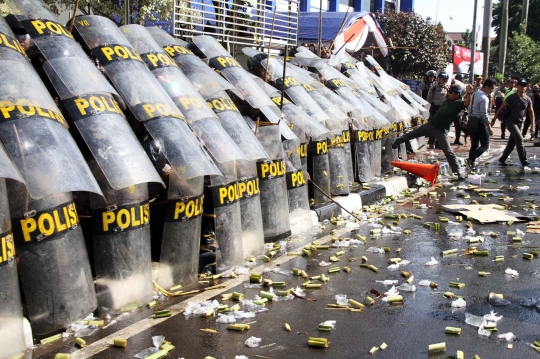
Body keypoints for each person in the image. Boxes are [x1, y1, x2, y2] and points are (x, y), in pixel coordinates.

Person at [392, 84, 473, 180]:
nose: (449, 94)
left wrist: (469, 93)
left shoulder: (458, 103)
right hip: (431, 125)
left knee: (448, 151)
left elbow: (467, 103)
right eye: (449, 92)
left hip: (441, 130)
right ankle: (397, 142)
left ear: (457, 94)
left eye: (451, 93)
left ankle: (458, 171)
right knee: (412, 134)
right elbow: (448, 89)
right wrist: (446, 87)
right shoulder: (448, 99)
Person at [492, 78, 535, 166]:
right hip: (510, 122)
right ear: (517, 86)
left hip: (519, 123)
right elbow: (501, 108)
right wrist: (494, 119)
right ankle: (524, 160)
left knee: (512, 143)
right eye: (521, 85)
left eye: (524, 85)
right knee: (519, 139)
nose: (523, 87)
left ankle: (502, 159)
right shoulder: (511, 97)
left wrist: (533, 126)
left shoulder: (527, 99)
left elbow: (531, 112)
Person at [466, 78, 496, 170]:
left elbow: (470, 109)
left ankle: (470, 163)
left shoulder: (475, 94)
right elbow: (484, 115)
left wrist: (471, 119)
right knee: (485, 145)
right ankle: (470, 159)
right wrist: (489, 127)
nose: (491, 91)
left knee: (474, 145)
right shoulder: (484, 98)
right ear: (486, 87)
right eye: (491, 89)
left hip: (472, 121)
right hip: (480, 123)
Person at [426, 71, 450, 148]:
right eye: (442, 79)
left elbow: (451, 98)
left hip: (444, 109)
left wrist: (447, 89)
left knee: (442, 128)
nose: (443, 81)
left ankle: (439, 144)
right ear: (439, 79)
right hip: (435, 108)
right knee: (434, 126)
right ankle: (432, 142)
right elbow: (429, 99)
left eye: (445, 80)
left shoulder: (447, 88)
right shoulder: (433, 87)